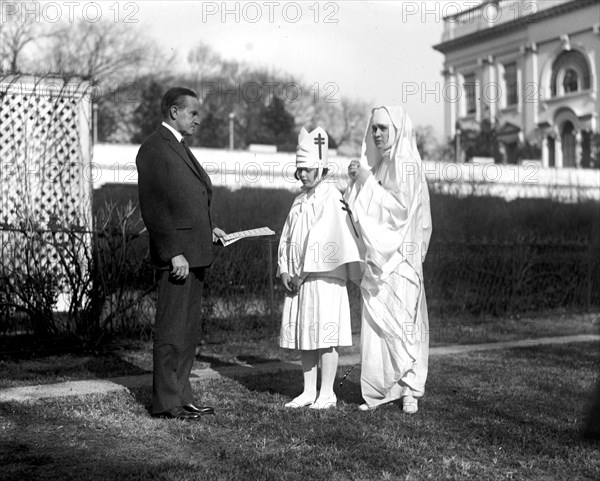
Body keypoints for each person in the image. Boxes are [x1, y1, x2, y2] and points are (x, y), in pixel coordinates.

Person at [136, 87, 226, 420]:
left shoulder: (179, 147)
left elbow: (189, 200)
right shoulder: (153, 148)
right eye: (193, 113)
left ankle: (182, 395)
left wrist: (209, 228)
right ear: (174, 111)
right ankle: (166, 401)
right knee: (172, 331)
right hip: (179, 260)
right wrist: (173, 252)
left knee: (187, 334)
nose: (198, 120)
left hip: (196, 254)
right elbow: (155, 208)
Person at [346, 106, 432, 414]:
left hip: (401, 258)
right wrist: (358, 184)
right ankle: (382, 389)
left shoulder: (407, 163)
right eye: (374, 129)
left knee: (404, 320)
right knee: (379, 322)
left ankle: (410, 388)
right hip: (380, 258)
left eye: (383, 128)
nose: (377, 134)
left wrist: (366, 181)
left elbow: (400, 210)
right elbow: (368, 208)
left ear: (396, 129)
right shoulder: (381, 165)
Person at [278, 127, 363, 410]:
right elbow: (287, 238)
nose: (302, 175)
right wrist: (285, 271)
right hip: (300, 281)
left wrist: (302, 273)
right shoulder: (299, 201)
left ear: (320, 168)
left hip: (324, 279)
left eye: (307, 169)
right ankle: (307, 390)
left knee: (325, 337)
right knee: (306, 334)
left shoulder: (330, 196)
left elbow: (325, 238)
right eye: (299, 170)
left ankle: (327, 392)